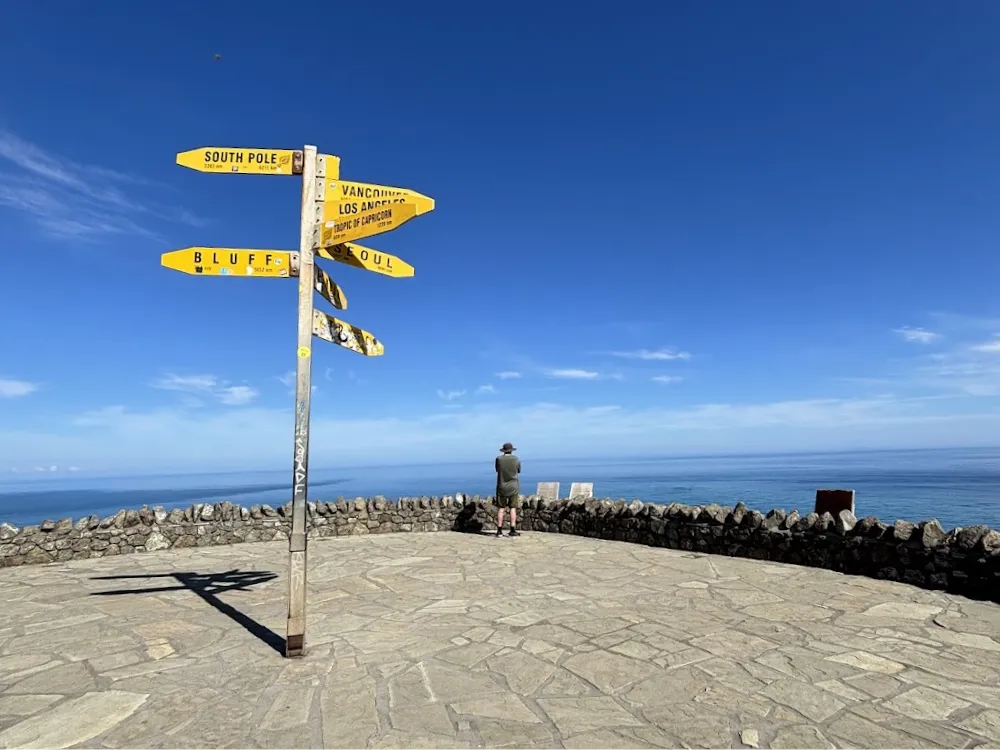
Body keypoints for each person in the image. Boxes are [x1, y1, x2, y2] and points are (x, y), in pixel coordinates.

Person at [495, 442, 522, 537]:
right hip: (513, 486)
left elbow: (497, 470)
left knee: (501, 509)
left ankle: (499, 531)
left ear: (503, 450)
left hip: (502, 486)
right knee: (513, 508)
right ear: (511, 450)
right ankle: (512, 530)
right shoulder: (516, 459)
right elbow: (519, 470)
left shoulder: (499, 459)